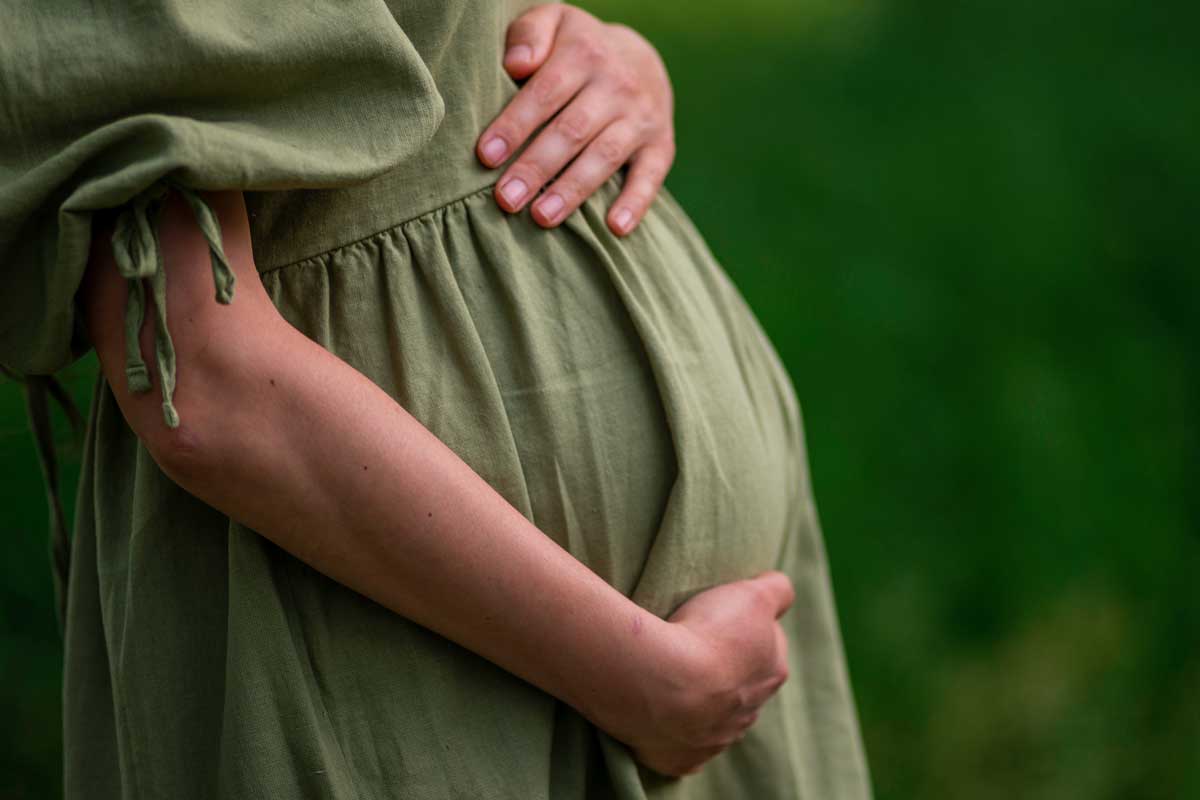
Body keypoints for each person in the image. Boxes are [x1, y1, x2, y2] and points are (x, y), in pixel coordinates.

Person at [0, 1, 872, 797]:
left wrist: (595, 53)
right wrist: (653, 683)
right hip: (390, 639)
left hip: (665, 670)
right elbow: (203, 375)